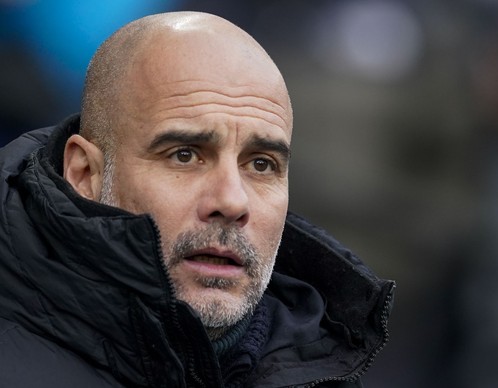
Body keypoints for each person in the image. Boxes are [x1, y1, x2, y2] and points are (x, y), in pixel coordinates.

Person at [0, 11, 395, 388]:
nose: (232, 201)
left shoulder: (325, 367)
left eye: (261, 164)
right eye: (184, 155)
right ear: (85, 174)